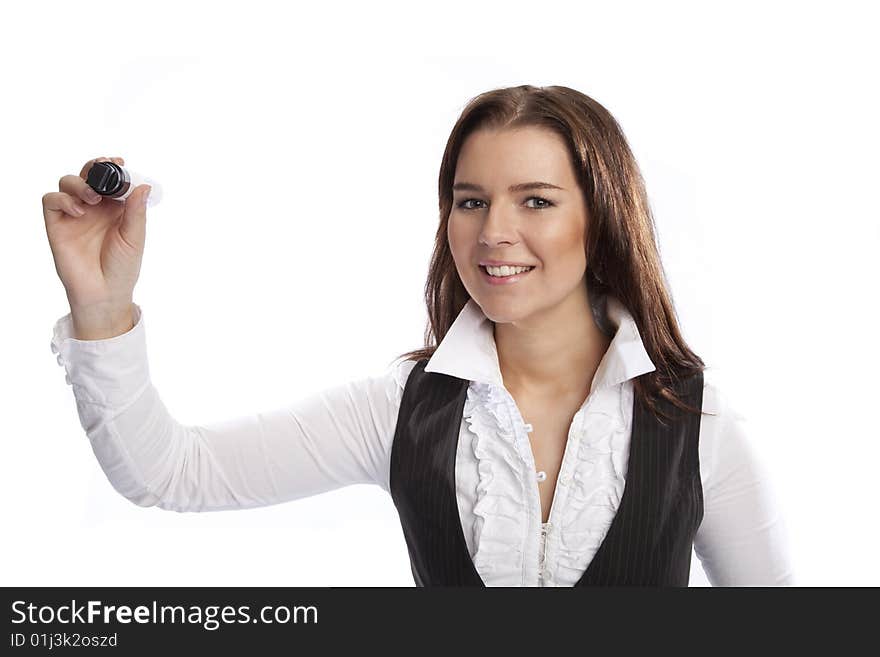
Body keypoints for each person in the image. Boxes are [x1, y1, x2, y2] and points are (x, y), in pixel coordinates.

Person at [43, 85, 795, 586]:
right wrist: (103, 309)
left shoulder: (695, 422)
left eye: (535, 200)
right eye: (471, 200)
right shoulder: (402, 409)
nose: (494, 232)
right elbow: (172, 473)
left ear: (599, 223)